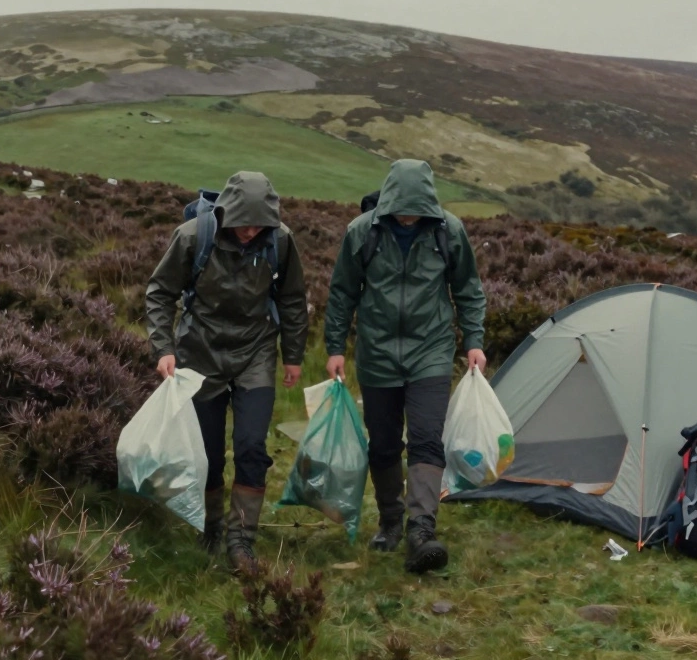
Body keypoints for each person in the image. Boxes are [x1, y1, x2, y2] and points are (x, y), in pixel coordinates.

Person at [324, 159, 487, 574]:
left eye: (416, 209)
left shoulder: (447, 231)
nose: (408, 216)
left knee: (427, 437)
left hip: (430, 350)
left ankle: (421, 529)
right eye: (402, 208)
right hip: (376, 352)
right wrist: (335, 346)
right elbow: (342, 291)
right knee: (382, 443)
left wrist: (474, 341)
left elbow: (468, 289)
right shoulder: (362, 232)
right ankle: (391, 519)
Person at [144, 171, 309, 574]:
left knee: (252, 445)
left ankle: (242, 540)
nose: (252, 232)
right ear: (226, 213)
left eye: (260, 225)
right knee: (210, 454)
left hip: (255, 353)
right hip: (201, 353)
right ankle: (212, 527)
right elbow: (160, 293)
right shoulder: (190, 238)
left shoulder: (281, 240)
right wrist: (163, 348)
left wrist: (293, 355)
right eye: (244, 223)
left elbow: (291, 298)